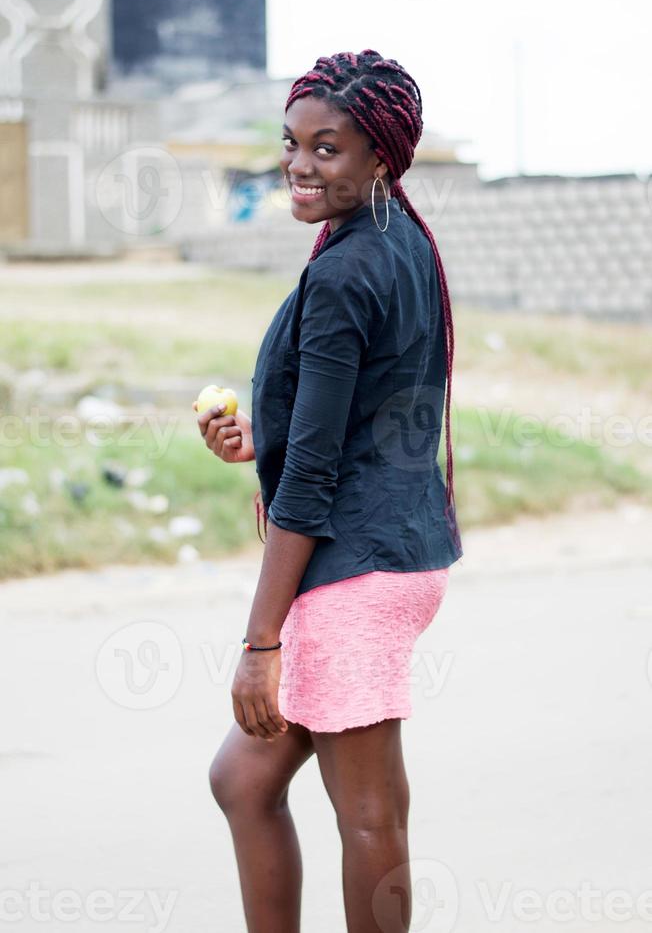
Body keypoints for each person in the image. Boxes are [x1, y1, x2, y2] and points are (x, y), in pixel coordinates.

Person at [195, 49, 464, 933]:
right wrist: (257, 443)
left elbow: (312, 477)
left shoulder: (350, 267)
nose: (300, 165)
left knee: (367, 813)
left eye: (328, 149)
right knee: (247, 779)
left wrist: (260, 642)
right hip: (386, 551)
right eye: (292, 143)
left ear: (379, 156)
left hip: (355, 568)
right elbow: (355, 419)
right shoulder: (398, 237)